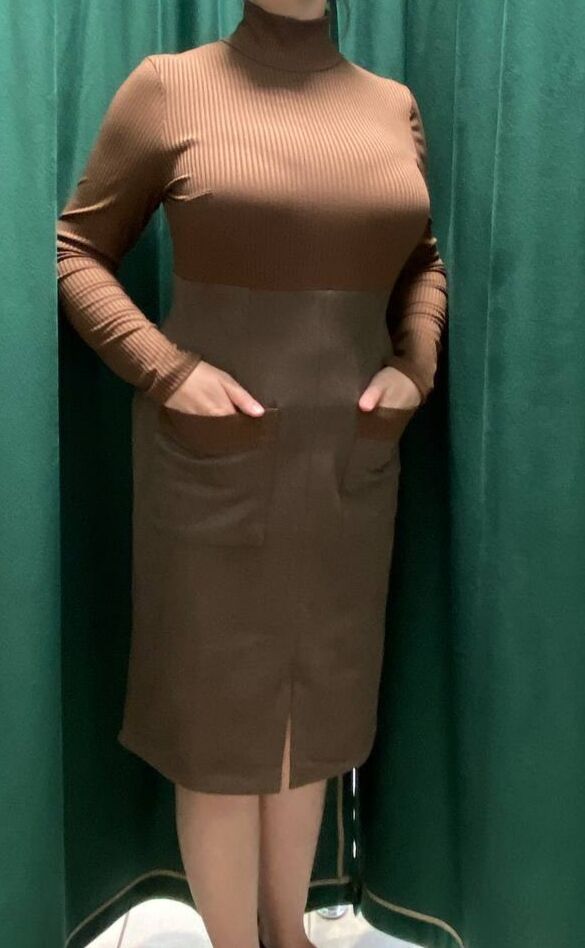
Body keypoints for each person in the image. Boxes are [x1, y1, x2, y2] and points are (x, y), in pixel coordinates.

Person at [55, 1, 448, 946]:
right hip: (211, 468)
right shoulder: (169, 87)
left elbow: (421, 265)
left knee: (316, 716)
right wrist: (168, 371)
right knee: (221, 733)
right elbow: (78, 253)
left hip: (349, 468)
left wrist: (416, 361)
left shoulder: (389, 104)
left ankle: (289, 929)